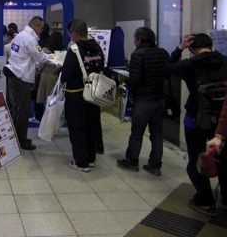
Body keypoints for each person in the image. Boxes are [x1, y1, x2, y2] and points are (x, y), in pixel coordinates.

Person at [165, 32, 227, 216]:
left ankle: (204, 200)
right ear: (211, 45)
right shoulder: (225, 61)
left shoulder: (189, 65)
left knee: (197, 160)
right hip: (223, 124)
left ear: (192, 49)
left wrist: (179, 48)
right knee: (223, 159)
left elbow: (167, 68)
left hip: (196, 119)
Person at [116, 27, 169, 176]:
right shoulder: (163, 52)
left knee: (137, 132)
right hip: (160, 99)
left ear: (139, 39)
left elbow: (135, 79)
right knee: (157, 133)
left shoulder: (138, 54)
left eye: (135, 38)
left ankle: (132, 161)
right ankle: (155, 165)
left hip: (144, 100)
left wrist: (126, 81)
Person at [3, 16, 55, 150]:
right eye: (41, 27)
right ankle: (21, 140)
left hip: (15, 75)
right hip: (22, 77)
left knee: (17, 109)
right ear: (36, 26)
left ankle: (16, 137)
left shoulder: (20, 35)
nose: (42, 31)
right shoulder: (30, 39)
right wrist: (55, 60)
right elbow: (40, 57)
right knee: (23, 111)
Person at [59, 19, 105, 172]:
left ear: (75, 33)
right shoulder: (97, 48)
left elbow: (66, 74)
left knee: (77, 128)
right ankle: (91, 158)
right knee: (92, 126)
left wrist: (60, 70)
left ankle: (81, 162)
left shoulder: (74, 50)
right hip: (94, 94)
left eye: (71, 33)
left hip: (76, 95)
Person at [35, 30, 66, 121]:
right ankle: (55, 119)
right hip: (58, 77)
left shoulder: (45, 50)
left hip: (47, 76)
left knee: (46, 99)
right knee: (56, 99)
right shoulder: (64, 51)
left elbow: (40, 64)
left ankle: (46, 120)